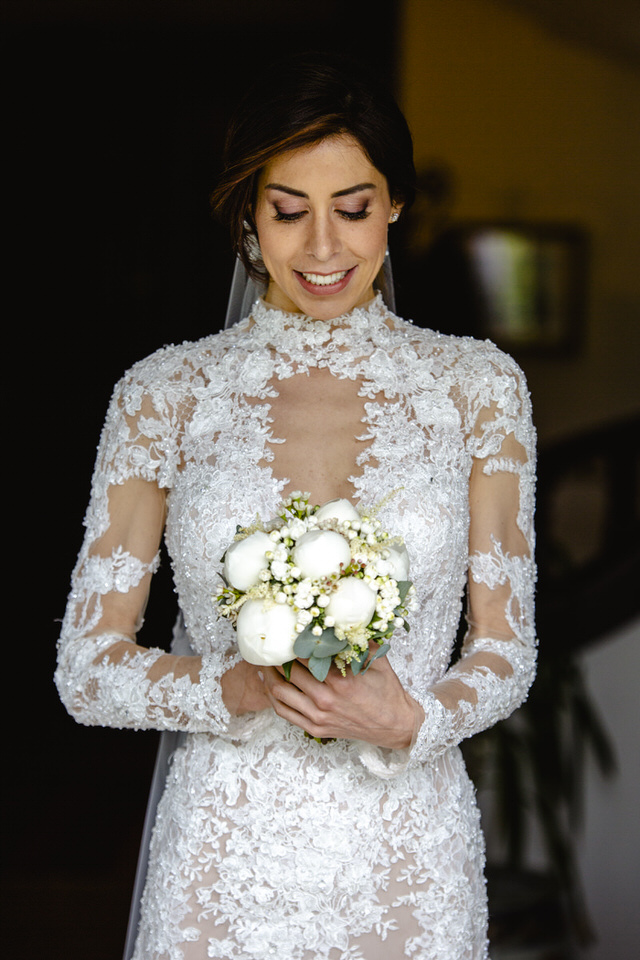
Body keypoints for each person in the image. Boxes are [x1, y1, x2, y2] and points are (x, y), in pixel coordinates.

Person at [55, 53, 537, 960]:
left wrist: (415, 719)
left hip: (406, 856)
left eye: (354, 209)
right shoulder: (167, 394)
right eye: (289, 211)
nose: (323, 248)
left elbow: (507, 649)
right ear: (247, 213)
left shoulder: (477, 390)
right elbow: (87, 668)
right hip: (224, 855)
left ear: (394, 204)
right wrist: (231, 685)